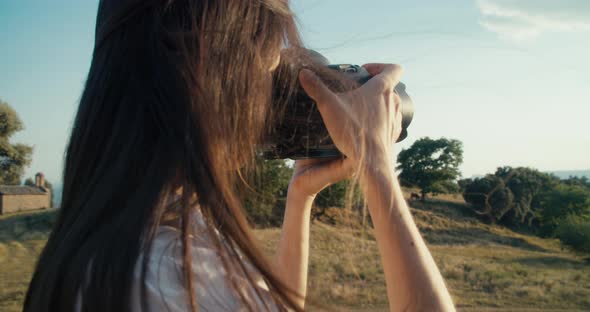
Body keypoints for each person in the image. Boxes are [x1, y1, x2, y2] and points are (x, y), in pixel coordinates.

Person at [24, 0, 455, 311]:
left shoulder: (134, 246)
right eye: (268, 72)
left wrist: (299, 197)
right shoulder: (169, 282)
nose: (265, 103)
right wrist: (376, 164)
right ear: (209, 69)